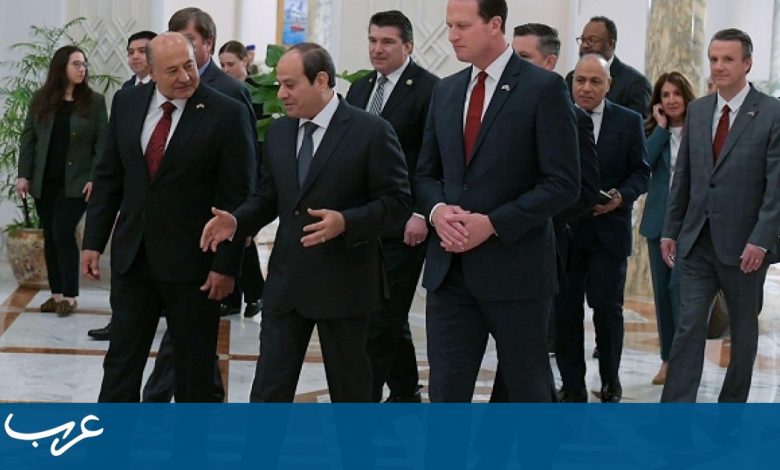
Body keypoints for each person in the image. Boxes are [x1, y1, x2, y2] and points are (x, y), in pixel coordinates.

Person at [200, 43, 411, 402]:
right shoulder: (280, 132)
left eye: (290, 84)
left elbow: (398, 203)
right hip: (287, 284)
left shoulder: (371, 131)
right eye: (280, 84)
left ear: (322, 80)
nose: (281, 94)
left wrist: (346, 222)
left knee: (352, 396)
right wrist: (237, 221)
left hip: (345, 287)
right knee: (268, 392)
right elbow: (268, 197)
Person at [416, 0, 580, 402]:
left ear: (494, 24)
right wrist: (437, 212)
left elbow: (563, 183)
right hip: (450, 273)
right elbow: (424, 173)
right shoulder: (446, 90)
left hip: (516, 271)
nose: (452, 35)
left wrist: (492, 224)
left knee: (526, 396)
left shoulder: (543, 88)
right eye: (449, 26)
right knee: (445, 398)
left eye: (462, 25)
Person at [81, 32, 255, 402]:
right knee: (120, 363)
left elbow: (238, 198)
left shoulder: (227, 113)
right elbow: (109, 176)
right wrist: (93, 242)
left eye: (189, 65)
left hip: (195, 266)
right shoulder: (127, 102)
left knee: (194, 372)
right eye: (173, 70)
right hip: (134, 258)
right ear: (152, 71)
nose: (185, 77)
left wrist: (226, 266)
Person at [141, 7, 260, 403]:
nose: (183, 74)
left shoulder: (229, 95)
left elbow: (238, 185)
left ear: (206, 44)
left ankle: (170, 400)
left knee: (191, 348)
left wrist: (229, 256)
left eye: (189, 45)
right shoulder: (142, 98)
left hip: (200, 248)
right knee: (187, 351)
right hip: (152, 251)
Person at [661, 29, 780, 403]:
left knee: (742, 333)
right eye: (714, 58)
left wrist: (761, 239)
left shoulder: (772, 112)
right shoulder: (698, 111)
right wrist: (670, 230)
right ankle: (675, 414)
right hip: (697, 241)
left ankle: (730, 414)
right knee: (688, 326)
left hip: (745, 247)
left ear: (747, 63)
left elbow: (776, 187)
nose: (719, 66)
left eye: (728, 59)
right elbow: (684, 176)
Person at [490, 22, 600, 402]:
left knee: (527, 354)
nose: (512, 65)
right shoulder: (496, 110)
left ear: (549, 63)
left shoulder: (573, 117)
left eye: (523, 58)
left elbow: (583, 190)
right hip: (492, 246)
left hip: (538, 247)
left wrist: (532, 217)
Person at [344, 10, 438, 403]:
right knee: (383, 309)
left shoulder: (431, 89)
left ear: (408, 46)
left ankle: (360, 403)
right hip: (363, 221)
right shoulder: (359, 89)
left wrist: (420, 213)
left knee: (380, 318)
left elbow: (433, 158)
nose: (377, 49)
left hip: (404, 222)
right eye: (372, 40)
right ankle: (405, 389)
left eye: (387, 42)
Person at [555, 54, 648, 403]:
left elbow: (641, 172)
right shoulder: (556, 117)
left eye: (595, 81)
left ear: (609, 85)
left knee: (608, 311)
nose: (586, 88)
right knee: (565, 311)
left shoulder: (628, 121)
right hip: (565, 232)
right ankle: (572, 385)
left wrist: (620, 197)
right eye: (580, 80)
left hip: (608, 231)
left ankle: (610, 380)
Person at [17, 45, 107, 317]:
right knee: (50, 236)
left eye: (84, 64)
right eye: (76, 64)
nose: (82, 68)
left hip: (76, 182)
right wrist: (23, 175)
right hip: (45, 181)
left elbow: (103, 144)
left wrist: (94, 177)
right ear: (61, 68)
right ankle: (56, 295)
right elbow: (28, 139)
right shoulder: (42, 99)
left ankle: (69, 295)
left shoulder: (94, 101)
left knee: (62, 232)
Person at [88, 30, 157, 341]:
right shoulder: (127, 96)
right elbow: (110, 168)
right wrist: (93, 241)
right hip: (133, 217)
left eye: (142, 50)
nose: (135, 56)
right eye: (131, 51)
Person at [639, 71, 696, 385]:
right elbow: (642, 164)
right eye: (665, 95)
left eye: (676, 93)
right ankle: (667, 361)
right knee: (663, 294)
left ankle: (684, 361)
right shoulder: (654, 132)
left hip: (692, 224)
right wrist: (661, 128)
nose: (672, 100)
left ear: (686, 96)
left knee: (680, 291)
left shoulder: (700, 129)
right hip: (658, 224)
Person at [566, 16, 651, 118]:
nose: (585, 45)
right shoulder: (571, 78)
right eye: (583, 40)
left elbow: (637, 125)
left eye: (592, 40)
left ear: (611, 44)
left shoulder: (636, 83)